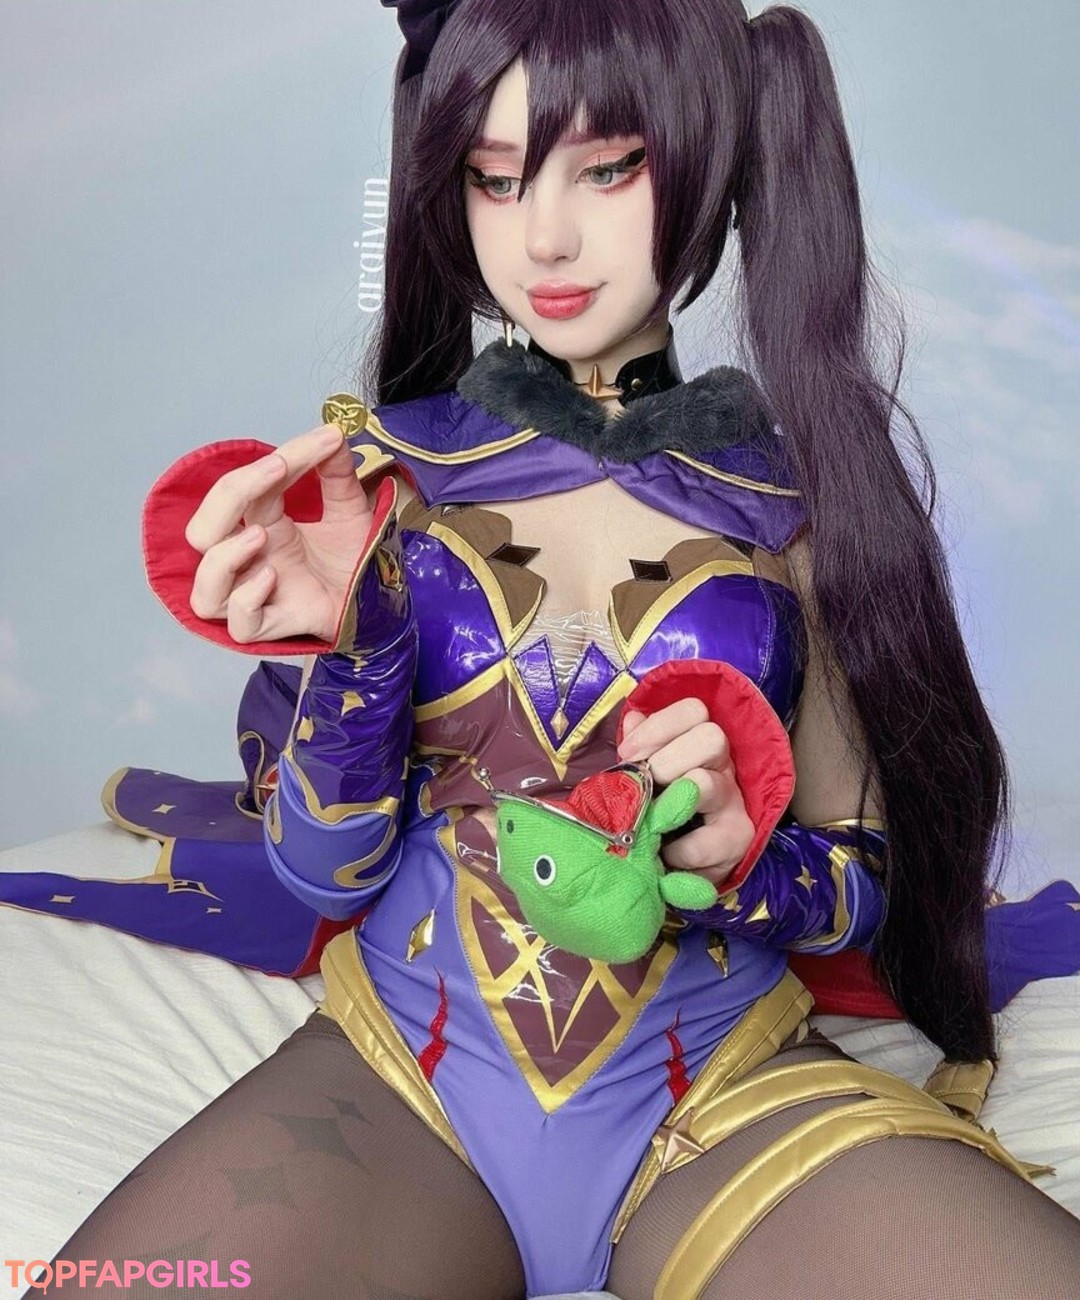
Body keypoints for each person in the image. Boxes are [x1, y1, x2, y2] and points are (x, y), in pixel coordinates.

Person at [16, 1, 1080, 1297]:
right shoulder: (382, 476)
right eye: (496, 176)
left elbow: (861, 875)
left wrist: (743, 862)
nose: (544, 238)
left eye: (608, 168)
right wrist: (358, 644)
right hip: (401, 1086)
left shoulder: (798, 504)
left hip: (726, 1092)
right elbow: (323, 871)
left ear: (710, 162)